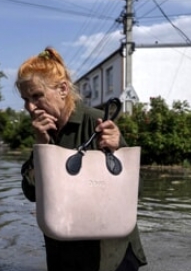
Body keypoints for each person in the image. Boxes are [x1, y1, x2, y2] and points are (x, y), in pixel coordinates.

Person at [16, 46, 147, 271]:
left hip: (109, 255)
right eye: (25, 99)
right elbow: (31, 193)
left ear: (63, 89)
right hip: (65, 251)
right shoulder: (45, 132)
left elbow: (137, 191)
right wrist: (41, 145)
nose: (30, 106)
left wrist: (115, 151)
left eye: (37, 96)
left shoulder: (96, 123)